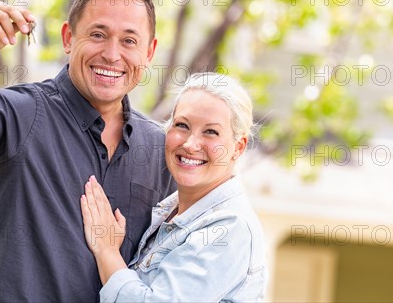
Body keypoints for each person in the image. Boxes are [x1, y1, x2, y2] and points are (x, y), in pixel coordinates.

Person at [0, 0, 176, 301]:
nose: (112, 55)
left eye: (129, 41)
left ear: (149, 52)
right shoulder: (20, 115)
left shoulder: (161, 150)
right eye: (98, 34)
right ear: (68, 38)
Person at [81, 72, 267, 302]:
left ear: (238, 147)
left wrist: (108, 252)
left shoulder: (229, 227)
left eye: (211, 131)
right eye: (182, 125)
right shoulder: (168, 211)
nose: (190, 144)